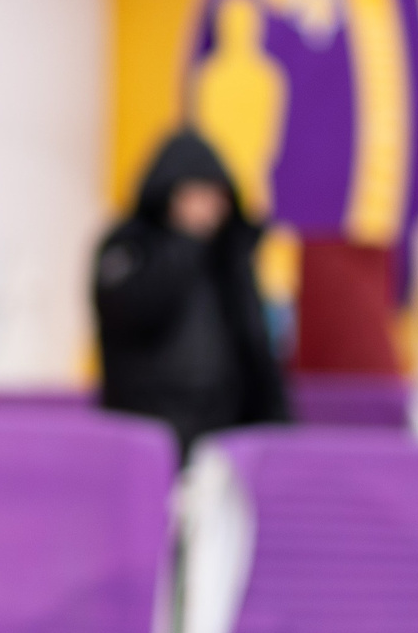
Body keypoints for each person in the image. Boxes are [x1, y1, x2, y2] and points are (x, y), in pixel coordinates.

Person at [92, 127, 290, 452]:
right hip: (147, 436)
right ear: (170, 191)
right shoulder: (130, 247)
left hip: (225, 435)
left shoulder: (230, 257)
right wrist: (185, 245)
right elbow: (130, 313)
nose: (208, 206)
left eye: (216, 195)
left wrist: (278, 422)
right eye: (197, 192)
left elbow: (255, 346)